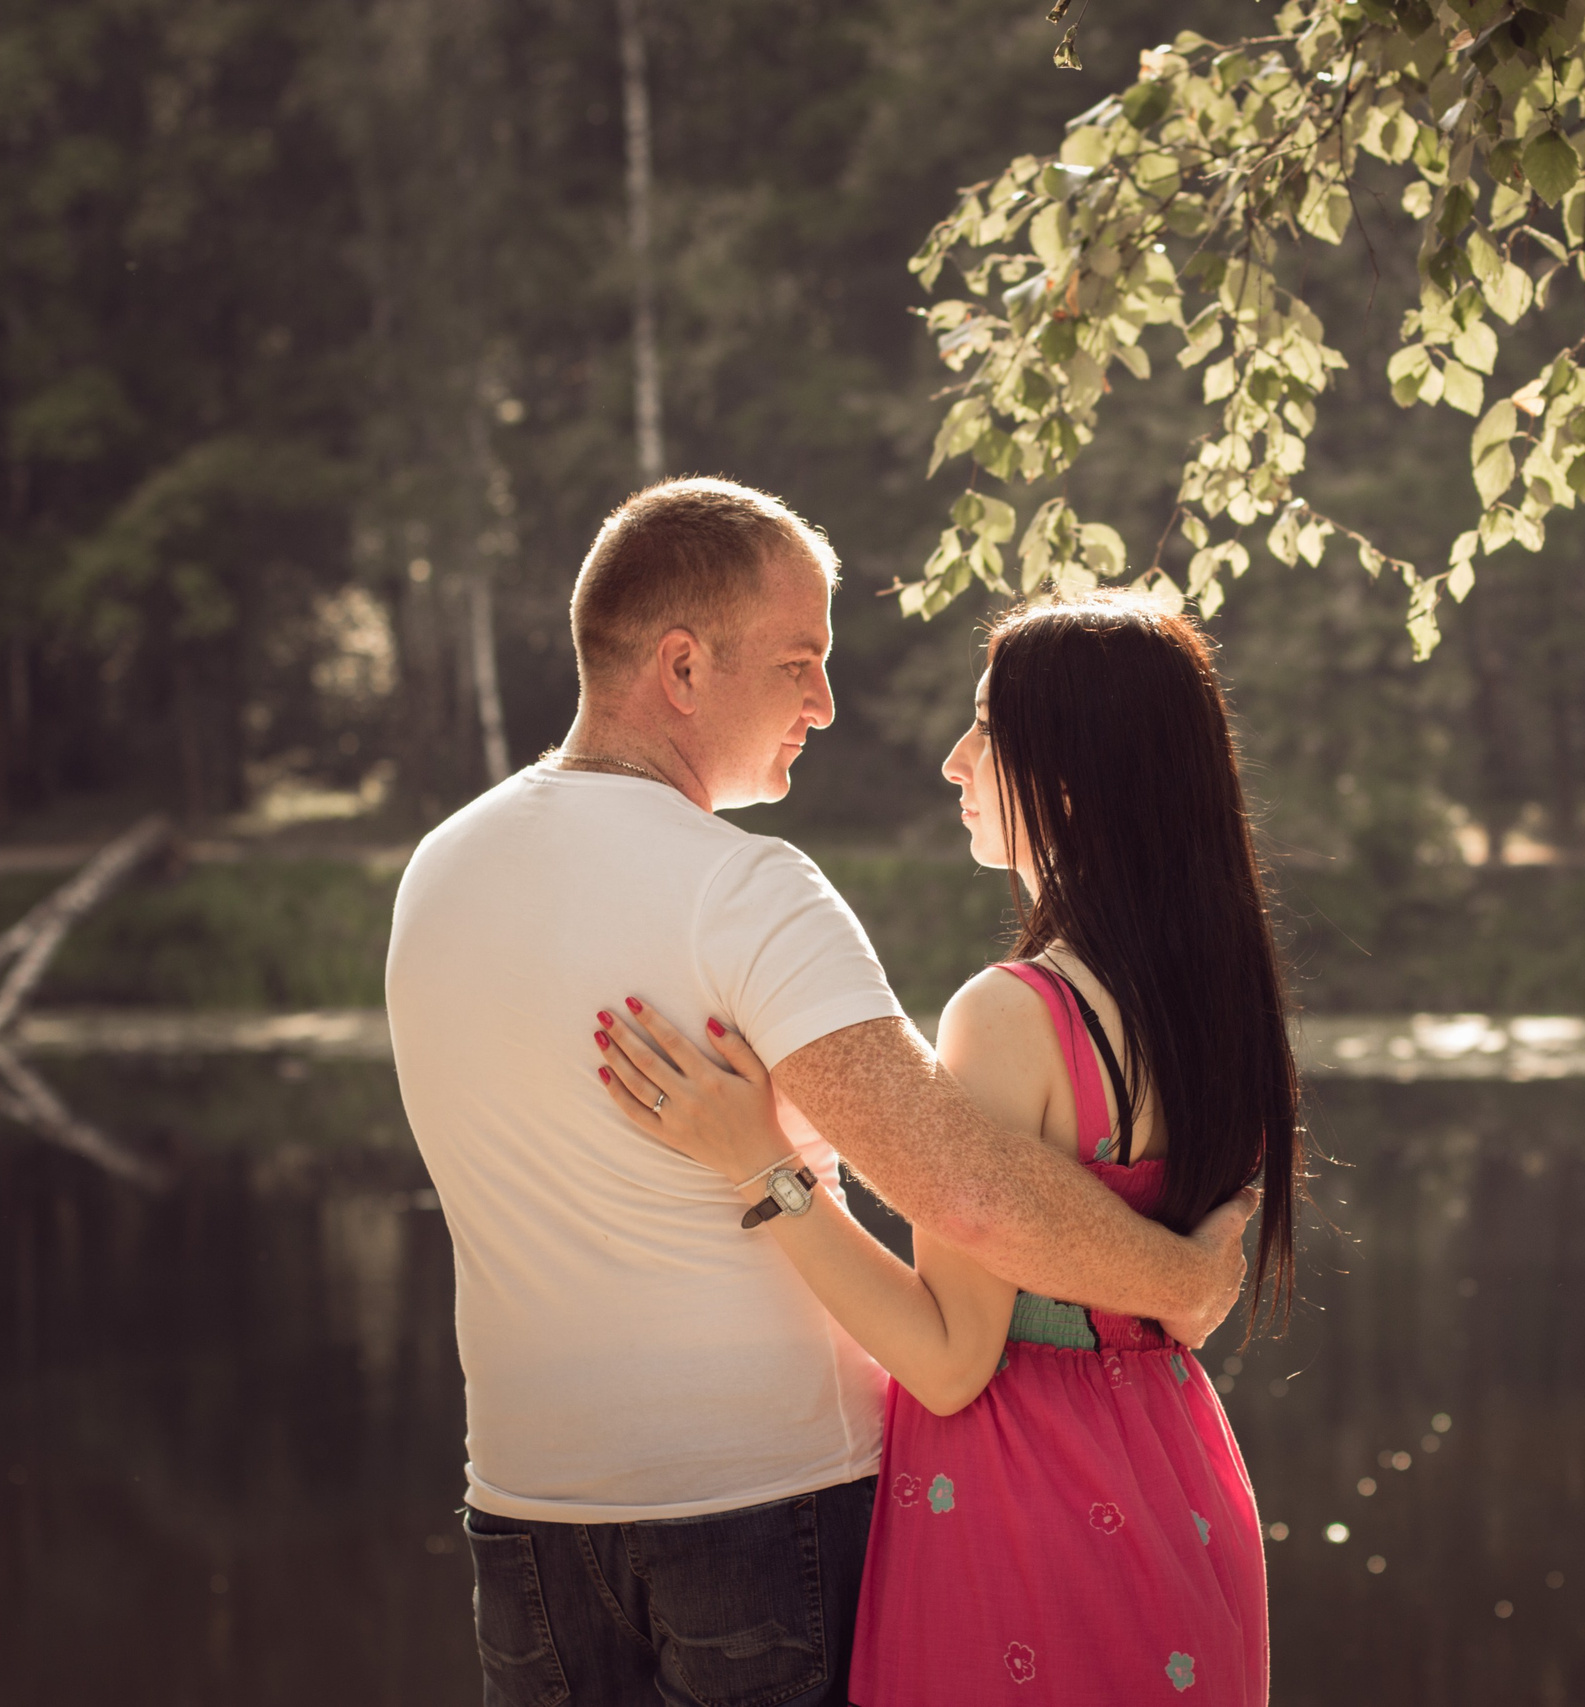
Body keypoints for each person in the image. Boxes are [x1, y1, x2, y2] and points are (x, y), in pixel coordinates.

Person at [385, 480, 1253, 1707]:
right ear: (682, 667)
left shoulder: (440, 868)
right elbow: (966, 1190)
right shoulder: (743, 890)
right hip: (761, 1513)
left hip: (524, 1513)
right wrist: (1184, 1284)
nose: (826, 704)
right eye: (799, 662)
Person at [592, 591, 1300, 1705]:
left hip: (1029, 1506)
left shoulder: (1014, 1013)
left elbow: (948, 1359)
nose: (954, 761)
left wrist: (765, 1167)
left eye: (985, 728)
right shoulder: (1223, 1010)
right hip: (1183, 1484)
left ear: (1071, 774)